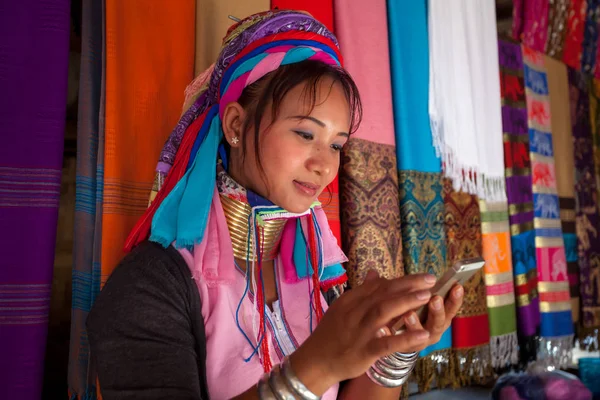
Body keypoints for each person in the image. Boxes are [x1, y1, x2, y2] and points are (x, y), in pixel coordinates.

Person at [87, 10, 464, 400]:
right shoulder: (150, 286)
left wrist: (394, 352)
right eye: (305, 134)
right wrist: (319, 364)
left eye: (336, 145)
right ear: (235, 125)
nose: (324, 165)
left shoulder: (318, 280)